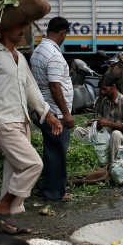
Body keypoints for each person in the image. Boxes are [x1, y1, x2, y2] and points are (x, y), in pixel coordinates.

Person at [0, 23, 62, 234]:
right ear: (3, 30)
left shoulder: (19, 57)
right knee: (33, 164)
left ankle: (5, 221)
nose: (22, 30)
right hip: (2, 121)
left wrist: (49, 116)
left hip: (22, 120)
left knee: (15, 170)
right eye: (18, 27)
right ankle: (2, 206)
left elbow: (31, 90)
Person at [31, 17, 74, 202]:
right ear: (63, 33)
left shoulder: (38, 50)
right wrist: (66, 114)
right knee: (57, 152)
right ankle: (55, 193)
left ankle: (52, 186)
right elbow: (55, 86)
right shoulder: (54, 55)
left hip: (45, 109)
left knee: (51, 151)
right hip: (55, 113)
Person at [74, 72, 123, 164]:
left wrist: (108, 123)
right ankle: (84, 160)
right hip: (106, 135)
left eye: (105, 89)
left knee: (116, 134)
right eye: (101, 89)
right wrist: (95, 123)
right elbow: (101, 120)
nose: (102, 92)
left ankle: (113, 165)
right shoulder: (104, 101)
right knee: (78, 131)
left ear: (113, 87)